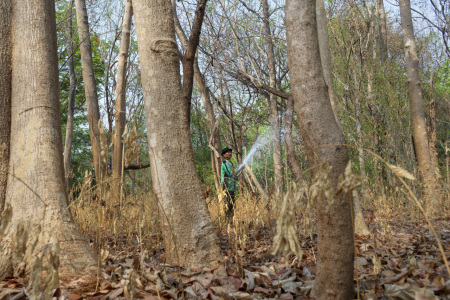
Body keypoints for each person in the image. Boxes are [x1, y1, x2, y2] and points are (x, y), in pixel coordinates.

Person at [221, 147, 237, 223]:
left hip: (232, 187)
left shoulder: (231, 164)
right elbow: (229, 173)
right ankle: (227, 221)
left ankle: (232, 221)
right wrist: (236, 172)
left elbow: (234, 175)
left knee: (233, 204)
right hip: (226, 186)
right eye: (228, 152)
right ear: (224, 155)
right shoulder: (224, 163)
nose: (230, 153)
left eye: (230, 152)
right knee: (228, 204)